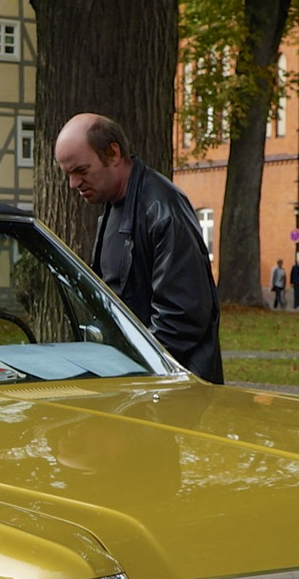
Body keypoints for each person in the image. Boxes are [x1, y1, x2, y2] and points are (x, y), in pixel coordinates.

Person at [54, 113, 223, 383]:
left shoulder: (163, 210)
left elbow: (181, 319)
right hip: (138, 383)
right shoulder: (114, 207)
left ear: (113, 153)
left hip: (170, 391)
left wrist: (130, 371)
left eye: (81, 171)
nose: (73, 184)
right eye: (68, 174)